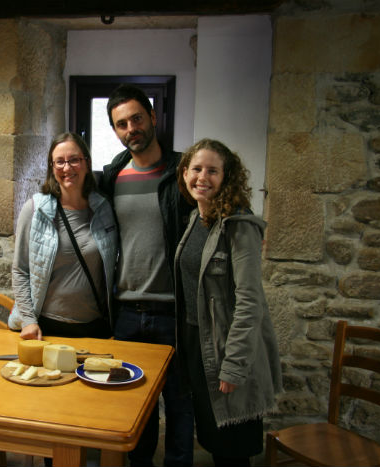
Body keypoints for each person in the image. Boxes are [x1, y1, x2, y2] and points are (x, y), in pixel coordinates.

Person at [98, 84, 194, 467]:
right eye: (121, 124)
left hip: (174, 311)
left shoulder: (184, 172)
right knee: (137, 410)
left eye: (136, 118)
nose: (130, 128)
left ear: (153, 117)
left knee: (180, 406)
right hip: (126, 311)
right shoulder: (112, 177)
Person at [174, 138, 282, 467]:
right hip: (198, 344)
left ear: (227, 176)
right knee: (213, 438)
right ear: (185, 173)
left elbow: (250, 302)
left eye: (213, 171)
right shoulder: (197, 218)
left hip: (227, 349)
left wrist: (234, 364)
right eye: (196, 169)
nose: (202, 177)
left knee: (233, 448)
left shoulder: (239, 225)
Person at [8, 132, 117, 340]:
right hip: (46, 328)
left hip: (94, 328)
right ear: (52, 167)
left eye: (74, 160)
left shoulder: (103, 209)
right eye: (59, 162)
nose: (67, 168)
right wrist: (29, 321)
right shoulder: (35, 210)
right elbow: (20, 270)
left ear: (86, 162)